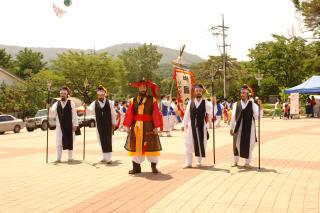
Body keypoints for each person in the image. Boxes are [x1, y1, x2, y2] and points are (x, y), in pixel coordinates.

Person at [123, 79, 162, 174]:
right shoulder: (132, 100)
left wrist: (156, 126)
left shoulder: (152, 100)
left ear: (146, 88)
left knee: (151, 146)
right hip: (136, 126)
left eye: (144, 87)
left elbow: (156, 113)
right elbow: (129, 114)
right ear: (138, 88)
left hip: (149, 126)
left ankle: (154, 167)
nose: (142, 88)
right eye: (141, 87)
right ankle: (136, 168)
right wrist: (127, 126)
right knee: (136, 147)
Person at [181, 84, 212, 168]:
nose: (198, 92)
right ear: (195, 92)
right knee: (188, 143)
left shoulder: (205, 103)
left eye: (200, 91)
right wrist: (183, 124)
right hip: (191, 127)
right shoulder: (190, 102)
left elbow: (210, 113)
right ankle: (188, 163)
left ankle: (199, 161)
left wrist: (213, 104)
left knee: (201, 143)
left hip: (202, 126)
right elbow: (187, 114)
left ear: (202, 92)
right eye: (197, 91)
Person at [230, 84, 259, 169]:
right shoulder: (236, 104)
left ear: (247, 94)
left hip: (249, 127)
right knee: (236, 144)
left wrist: (259, 106)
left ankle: (247, 163)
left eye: (244, 93)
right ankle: (235, 161)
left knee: (249, 144)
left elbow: (257, 116)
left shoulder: (252, 104)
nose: (242, 94)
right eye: (241, 93)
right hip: (238, 127)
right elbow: (233, 117)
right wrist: (231, 127)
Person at [87, 85, 118, 163]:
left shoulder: (110, 102)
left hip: (108, 124)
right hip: (99, 124)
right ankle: (104, 156)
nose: (100, 96)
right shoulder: (94, 103)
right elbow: (90, 111)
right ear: (98, 95)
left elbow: (113, 113)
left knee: (108, 140)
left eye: (102, 94)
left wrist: (114, 123)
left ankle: (109, 157)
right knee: (100, 139)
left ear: (105, 94)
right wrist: (85, 108)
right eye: (99, 94)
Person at [49, 86, 78, 163]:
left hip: (69, 126)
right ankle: (58, 158)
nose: (62, 95)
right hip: (59, 126)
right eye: (61, 94)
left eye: (64, 94)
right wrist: (49, 108)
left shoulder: (71, 103)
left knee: (70, 141)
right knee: (58, 141)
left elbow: (74, 115)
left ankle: (70, 157)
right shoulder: (56, 104)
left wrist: (75, 125)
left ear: (67, 94)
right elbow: (52, 113)